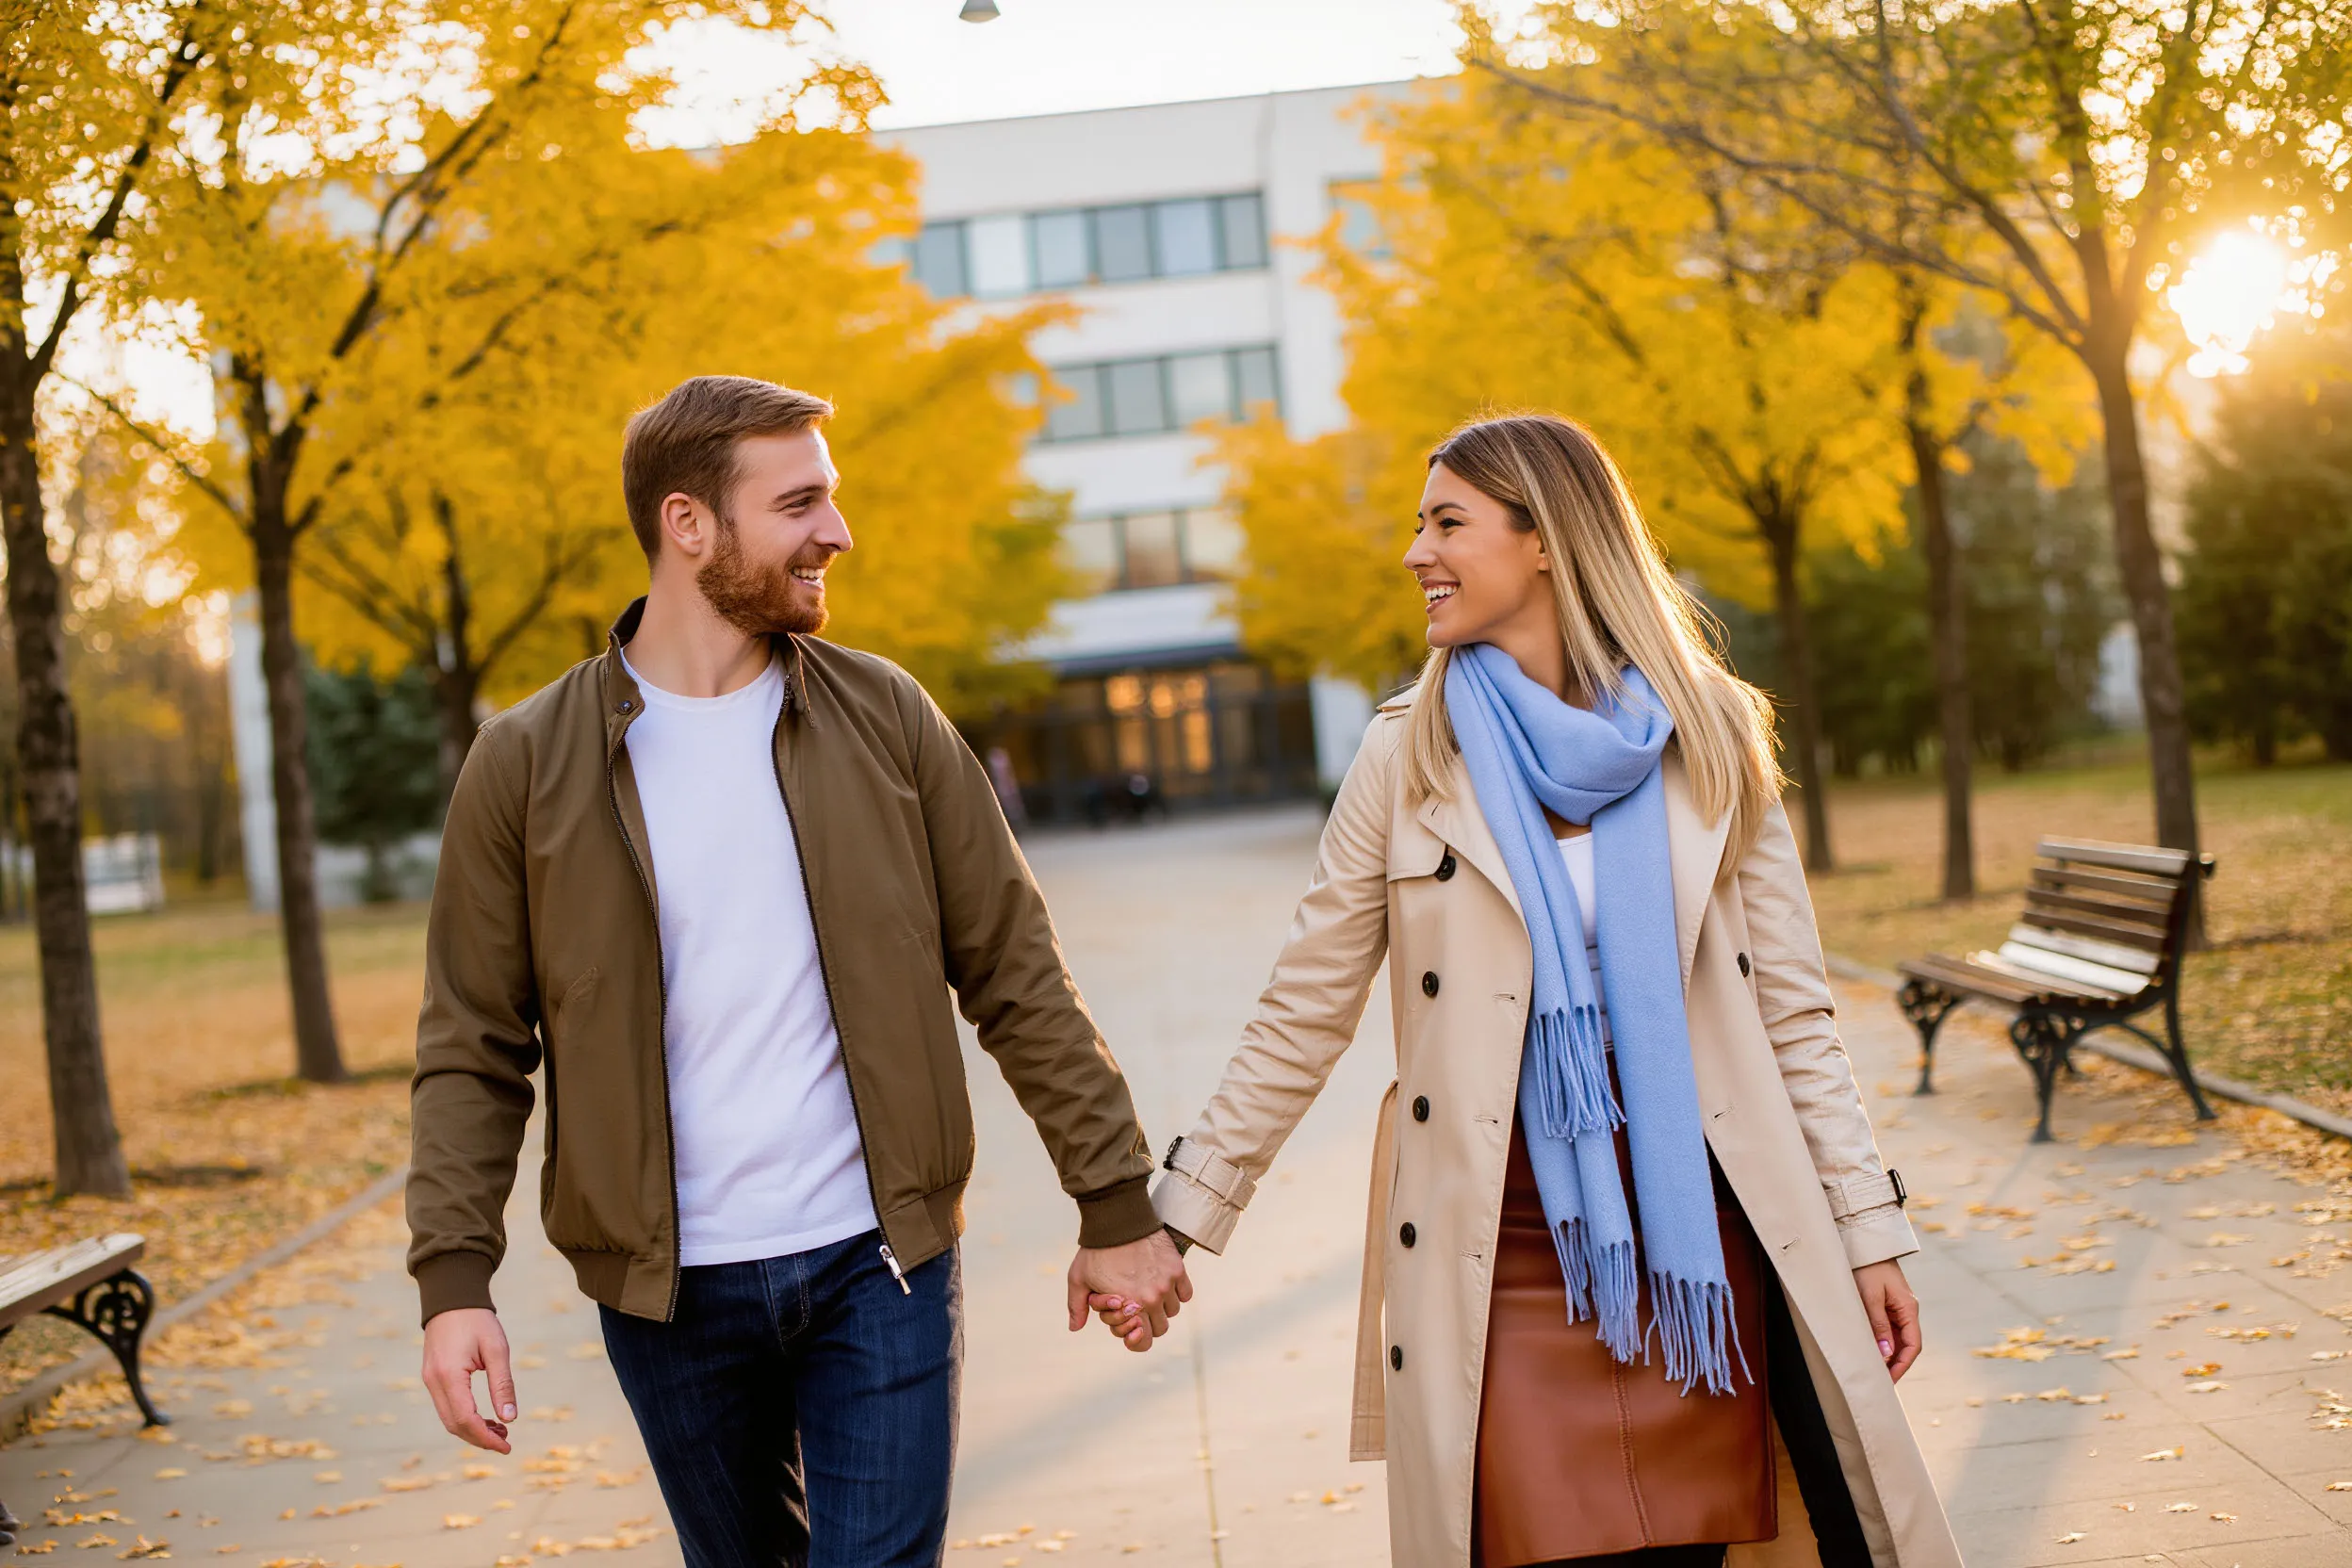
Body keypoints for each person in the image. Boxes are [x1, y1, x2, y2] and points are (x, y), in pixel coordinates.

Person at [1112, 415, 1963, 1566]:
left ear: (1549, 538)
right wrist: (1177, 1217)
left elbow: (1794, 1014)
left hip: (1697, 1239)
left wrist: (1869, 1227)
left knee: (1691, 1544)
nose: (1417, 552)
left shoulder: (1707, 735)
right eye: (1420, 526)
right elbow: (1303, 1005)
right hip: (1500, 1240)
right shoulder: (1406, 755)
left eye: (1447, 523)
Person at [406, 374, 1191, 1568]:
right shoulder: (526, 762)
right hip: (668, 1295)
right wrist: (454, 1279)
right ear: (689, 524)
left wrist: (1117, 1201)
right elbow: (473, 1043)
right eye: (801, 502)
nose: (838, 530)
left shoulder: (886, 717)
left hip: (877, 1260)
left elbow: (1018, 971)